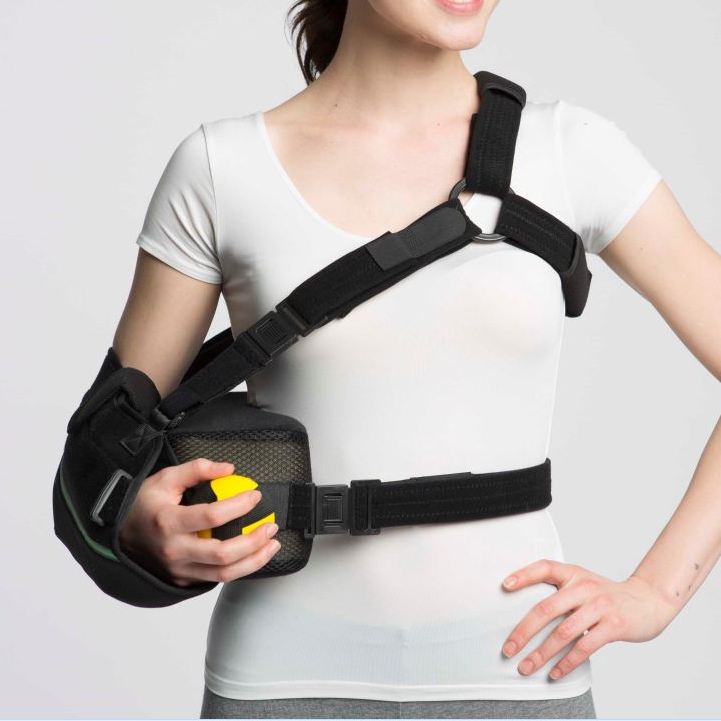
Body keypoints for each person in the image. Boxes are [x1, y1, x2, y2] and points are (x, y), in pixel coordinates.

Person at [112, 1, 721, 719]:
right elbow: (107, 452)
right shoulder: (221, 168)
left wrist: (655, 593)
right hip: (279, 681)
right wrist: (139, 524)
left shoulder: (572, 151)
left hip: (519, 673)